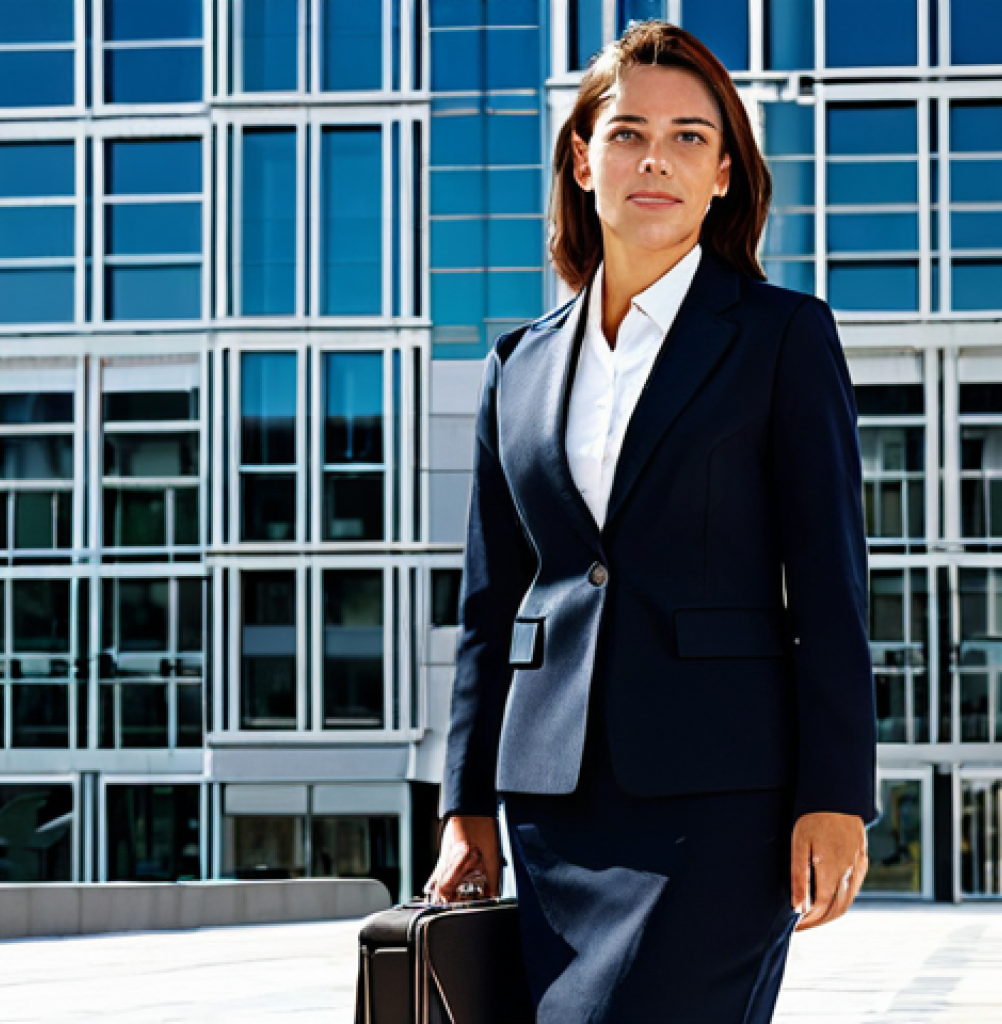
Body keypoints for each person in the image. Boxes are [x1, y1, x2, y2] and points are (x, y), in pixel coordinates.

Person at [425, 20, 878, 1024]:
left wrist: (836, 792)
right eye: (628, 133)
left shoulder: (780, 338)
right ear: (583, 158)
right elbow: (490, 600)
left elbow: (831, 583)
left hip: (722, 800)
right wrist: (464, 804)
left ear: (723, 174)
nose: (655, 160)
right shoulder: (518, 364)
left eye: (688, 137)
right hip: (553, 797)